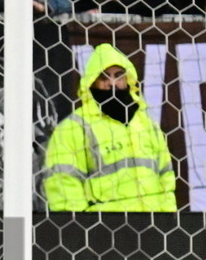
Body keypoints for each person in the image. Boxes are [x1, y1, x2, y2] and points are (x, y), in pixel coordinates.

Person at [43, 43, 176, 211]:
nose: (112, 83)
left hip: (153, 226)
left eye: (119, 76)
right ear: (92, 82)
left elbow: (166, 176)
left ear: (128, 79)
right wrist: (81, 229)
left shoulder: (145, 123)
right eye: (104, 77)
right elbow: (62, 183)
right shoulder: (74, 127)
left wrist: (167, 220)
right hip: (103, 230)